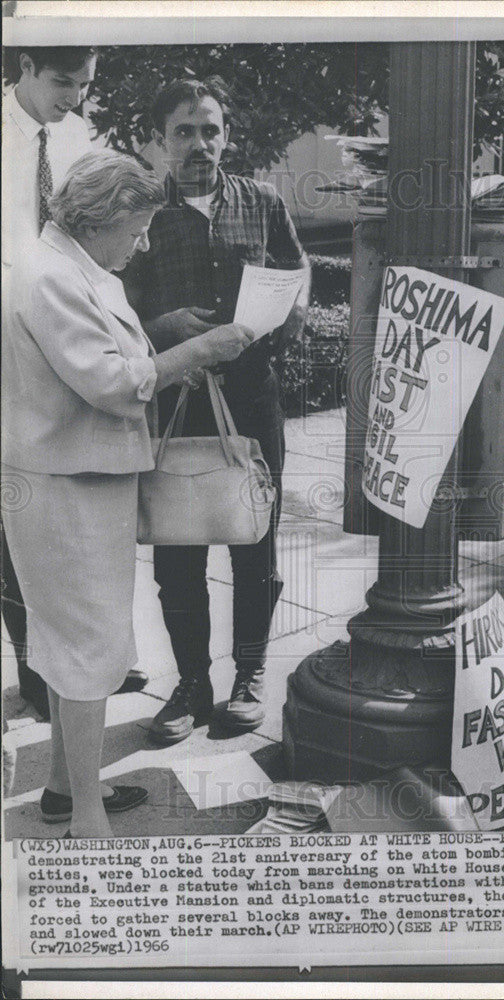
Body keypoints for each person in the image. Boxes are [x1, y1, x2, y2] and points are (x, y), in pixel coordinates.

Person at [1, 150, 257, 836]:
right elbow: (112, 383)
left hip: (76, 479)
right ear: (100, 217)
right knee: (88, 652)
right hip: (65, 488)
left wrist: (164, 342)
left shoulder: (74, 266)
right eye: (137, 228)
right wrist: (193, 354)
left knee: (70, 646)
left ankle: (63, 789)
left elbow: (111, 357)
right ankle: (86, 819)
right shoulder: (54, 276)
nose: (143, 243)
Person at [121, 77, 311, 745]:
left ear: (226, 134)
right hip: (176, 400)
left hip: (251, 398)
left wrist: (278, 321)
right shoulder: (142, 210)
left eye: (210, 129)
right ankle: (192, 683)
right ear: (159, 141)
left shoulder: (260, 201)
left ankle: (249, 676)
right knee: (178, 549)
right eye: (184, 132)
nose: (199, 144)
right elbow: (117, 306)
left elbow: (294, 274)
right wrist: (164, 324)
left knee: (254, 540)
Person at [1, 44, 147, 715]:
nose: (74, 98)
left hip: (58, 346)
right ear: (23, 65)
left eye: (85, 85)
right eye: (63, 81)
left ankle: (71, 681)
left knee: (57, 541)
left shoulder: (73, 140)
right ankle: (49, 681)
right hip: (16, 340)